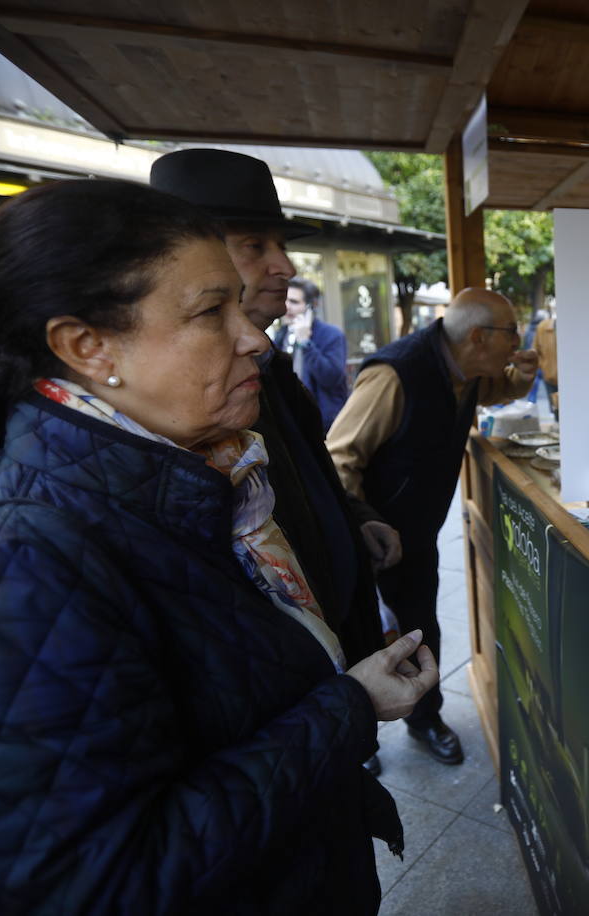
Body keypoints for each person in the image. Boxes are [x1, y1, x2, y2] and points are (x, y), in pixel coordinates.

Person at [0, 179, 439, 912]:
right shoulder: (8, 561)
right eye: (208, 311)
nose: (255, 335)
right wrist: (347, 706)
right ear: (86, 346)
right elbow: (91, 885)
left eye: (238, 301)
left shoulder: (198, 474)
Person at [150, 148, 401, 669]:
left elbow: (308, 481)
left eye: (282, 246)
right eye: (254, 245)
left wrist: (355, 519)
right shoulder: (170, 407)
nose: (284, 266)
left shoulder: (275, 372)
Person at [327, 288, 539, 765]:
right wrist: (363, 525)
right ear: (479, 336)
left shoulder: (467, 372)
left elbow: (497, 387)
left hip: (417, 535)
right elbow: (338, 457)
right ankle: (357, 741)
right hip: (367, 533)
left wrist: (521, 378)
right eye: (512, 333)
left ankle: (425, 720)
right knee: (357, 635)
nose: (518, 341)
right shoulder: (395, 374)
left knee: (421, 628)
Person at [274, 278, 350, 431]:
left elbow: (331, 378)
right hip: (293, 420)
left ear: (311, 306)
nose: (287, 307)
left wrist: (306, 343)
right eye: (285, 300)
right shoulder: (281, 334)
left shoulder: (331, 335)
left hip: (325, 423)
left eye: (294, 302)